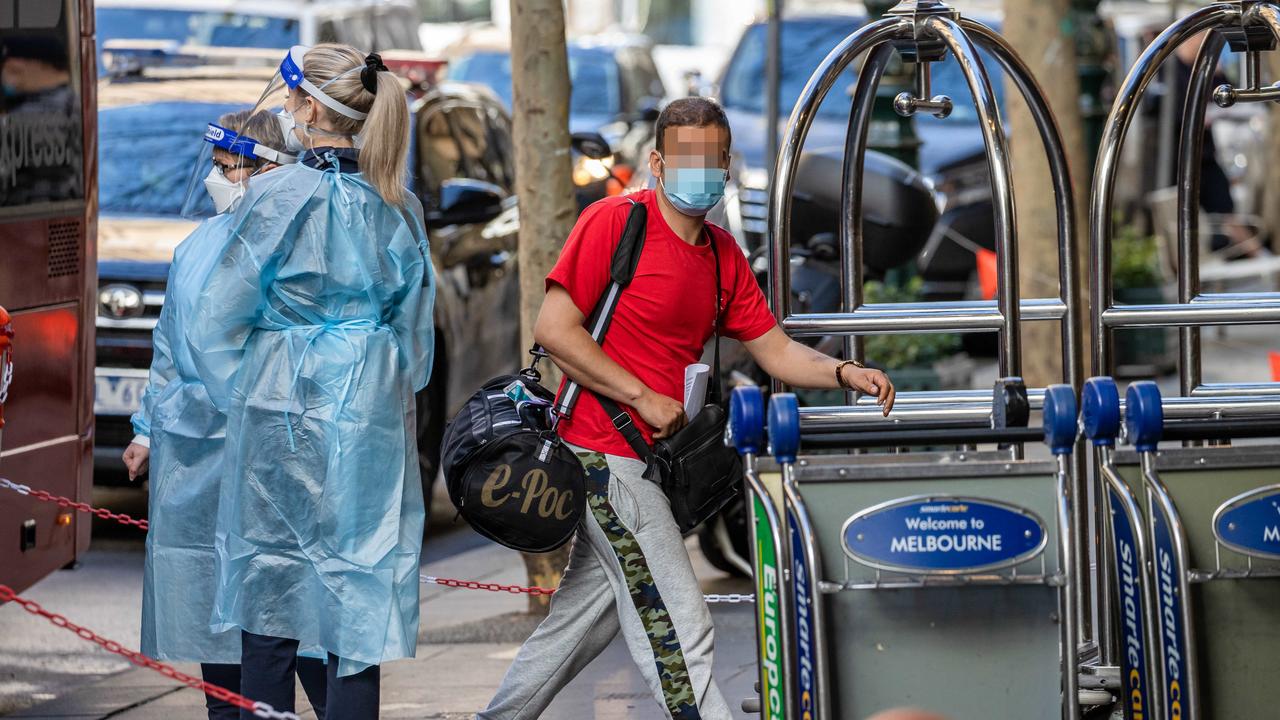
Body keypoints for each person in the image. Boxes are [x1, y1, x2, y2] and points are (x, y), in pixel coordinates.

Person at [478, 97, 894, 720]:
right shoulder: (615, 223)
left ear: (726, 163)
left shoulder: (722, 255)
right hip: (597, 455)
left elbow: (775, 349)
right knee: (681, 627)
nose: (700, 171)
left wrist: (844, 372)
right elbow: (556, 330)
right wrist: (642, 396)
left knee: (576, 629)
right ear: (657, 161)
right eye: (685, 158)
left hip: (644, 463)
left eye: (711, 158)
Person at [183, 44, 436, 720]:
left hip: (278, 407)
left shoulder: (271, 198)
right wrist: (373, 385)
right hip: (368, 413)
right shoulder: (399, 205)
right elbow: (418, 342)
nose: (285, 109)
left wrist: (255, 392)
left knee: (269, 587)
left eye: (291, 98)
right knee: (355, 602)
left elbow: (215, 322)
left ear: (311, 107)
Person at [122, 109, 329, 720]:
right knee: (218, 605)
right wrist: (145, 428)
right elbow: (169, 345)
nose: (219, 181)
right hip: (201, 450)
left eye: (229, 168)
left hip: (278, 451)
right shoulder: (198, 246)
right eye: (214, 168)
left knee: (295, 609)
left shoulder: (304, 246)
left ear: (270, 172)